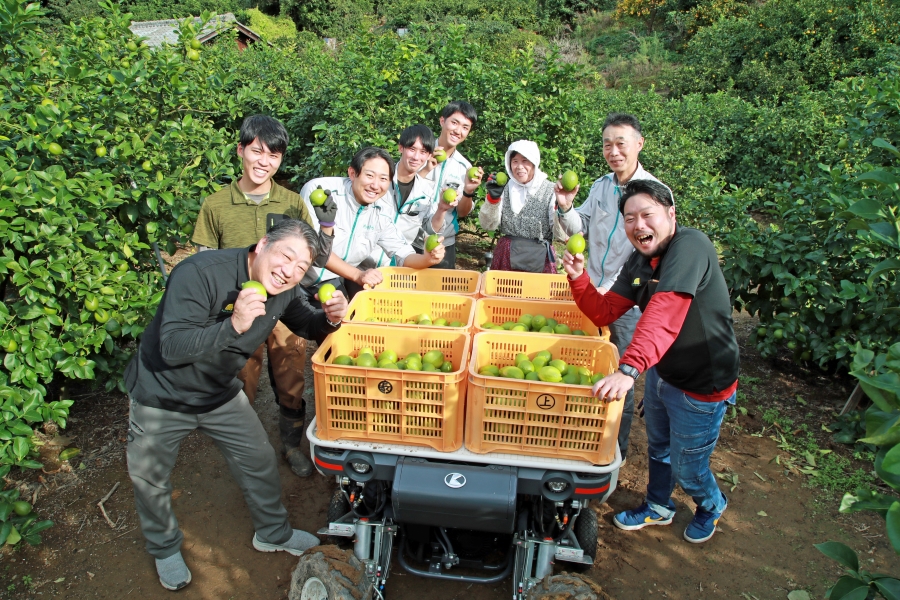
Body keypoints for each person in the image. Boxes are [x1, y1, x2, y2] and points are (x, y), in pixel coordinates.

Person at [125, 219, 350, 591]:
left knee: (259, 460)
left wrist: (331, 320)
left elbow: (309, 326)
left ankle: (273, 533)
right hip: (162, 393)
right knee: (151, 478)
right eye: (286, 256)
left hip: (218, 392)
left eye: (301, 266)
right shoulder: (199, 273)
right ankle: (164, 547)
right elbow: (172, 346)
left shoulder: (285, 289)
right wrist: (234, 325)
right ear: (262, 245)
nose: (289, 271)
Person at [561, 179, 739, 544]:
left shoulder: (691, 246)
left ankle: (711, 504)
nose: (638, 225)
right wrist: (579, 279)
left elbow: (666, 308)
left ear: (671, 214)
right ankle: (659, 505)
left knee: (688, 465)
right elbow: (606, 310)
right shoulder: (640, 259)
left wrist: (629, 368)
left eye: (647, 215)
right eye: (629, 218)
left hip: (702, 383)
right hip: (662, 370)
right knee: (659, 447)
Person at [191, 115, 366, 479]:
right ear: (241, 151)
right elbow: (202, 263)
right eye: (257, 152)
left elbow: (315, 255)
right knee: (242, 381)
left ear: (281, 161)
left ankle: (290, 446)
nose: (263, 161)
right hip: (237, 308)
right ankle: (244, 450)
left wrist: (327, 226)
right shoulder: (216, 205)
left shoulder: (291, 203)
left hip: (285, 305)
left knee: (290, 378)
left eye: (273, 155)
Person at [556, 112, 668, 462]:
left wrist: (628, 287)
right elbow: (581, 227)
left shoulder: (654, 192)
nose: (614, 151)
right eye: (607, 144)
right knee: (591, 364)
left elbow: (658, 245)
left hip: (627, 299)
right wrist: (566, 206)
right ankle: (584, 434)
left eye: (621, 143)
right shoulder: (602, 186)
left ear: (639, 144)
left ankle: (613, 449)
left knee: (621, 372)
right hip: (594, 291)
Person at [300, 146, 446, 296]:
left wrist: (428, 258)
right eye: (370, 175)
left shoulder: (381, 212)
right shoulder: (322, 192)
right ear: (352, 173)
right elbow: (314, 247)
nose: (376, 185)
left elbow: (404, 255)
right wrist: (357, 275)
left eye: (383, 179)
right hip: (298, 278)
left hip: (337, 282)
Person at [474, 140, 575, 273]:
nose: (519, 166)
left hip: (539, 258)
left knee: (535, 293)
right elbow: (487, 225)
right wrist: (493, 199)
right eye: (515, 161)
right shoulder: (504, 188)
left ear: (534, 162)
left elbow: (561, 235)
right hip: (506, 256)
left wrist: (561, 208)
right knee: (504, 293)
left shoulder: (551, 190)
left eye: (525, 160)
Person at [418, 101, 483, 268]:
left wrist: (468, 191)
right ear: (442, 121)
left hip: (442, 244)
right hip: (409, 239)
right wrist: (425, 167)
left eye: (465, 127)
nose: (458, 131)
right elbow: (401, 188)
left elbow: (461, 212)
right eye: (454, 122)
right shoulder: (418, 152)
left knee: (440, 293)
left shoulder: (465, 167)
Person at [368, 124, 438, 267]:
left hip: (399, 265)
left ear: (430, 156)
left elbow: (431, 229)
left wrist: (442, 208)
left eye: (423, 152)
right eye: (412, 149)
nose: (416, 157)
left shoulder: (426, 191)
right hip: (363, 263)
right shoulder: (379, 182)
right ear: (401, 148)